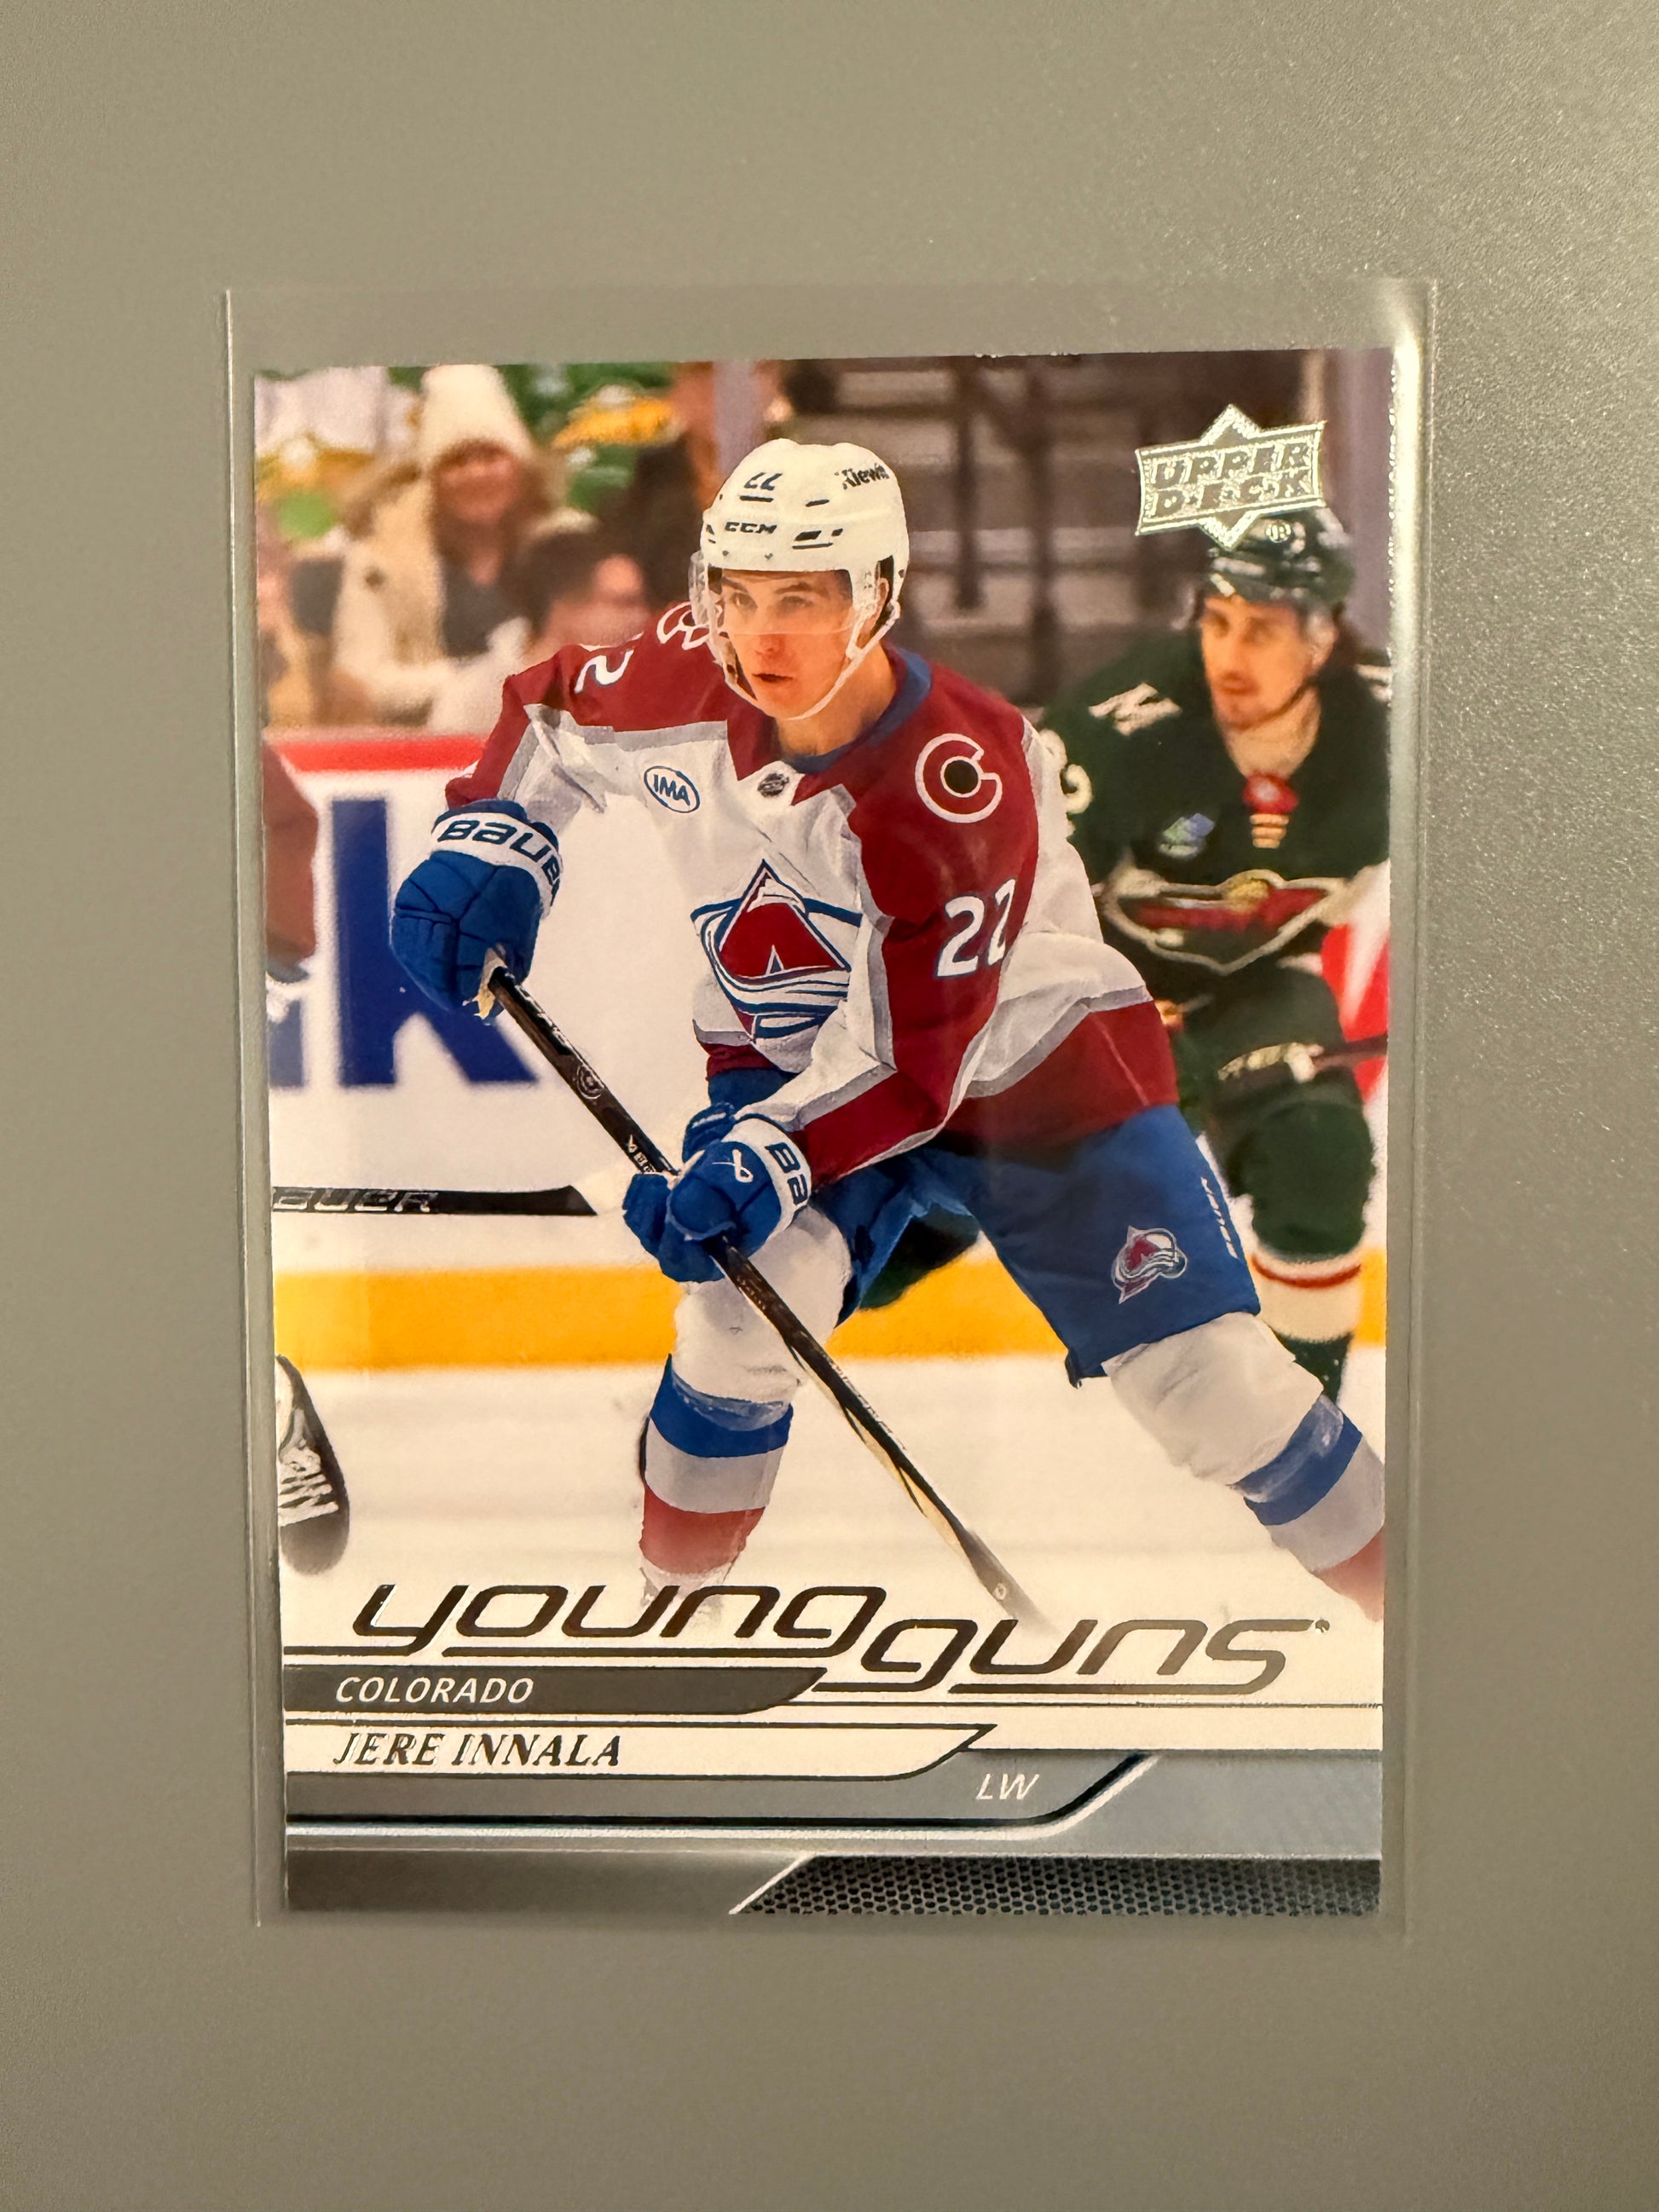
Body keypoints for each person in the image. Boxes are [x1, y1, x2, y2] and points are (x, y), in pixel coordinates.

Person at [389, 442, 1384, 1620]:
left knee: (1211, 1387)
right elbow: (548, 709)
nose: (758, 637)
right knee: (736, 1320)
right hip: (796, 1070)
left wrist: (759, 1158)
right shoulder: (682, 668)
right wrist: (496, 840)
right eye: (735, 594)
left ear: (877, 596)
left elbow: (917, 1065)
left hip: (1033, 1077)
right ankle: (672, 1613)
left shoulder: (951, 780)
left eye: (800, 599)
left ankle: (1415, 1616)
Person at [1032, 509, 1389, 1398]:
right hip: (1109, 985)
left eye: (1260, 630)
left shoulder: (1403, 729)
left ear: (1321, 637)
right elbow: (1025, 908)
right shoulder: (1113, 729)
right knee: (999, 1195)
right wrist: (1102, 1012)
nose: (1228, 654)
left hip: (1261, 982)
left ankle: (1305, 1424)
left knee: (1320, 1154)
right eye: (1217, 620)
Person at [332, 364, 567, 724]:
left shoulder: (569, 544)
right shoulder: (379, 559)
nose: (476, 474)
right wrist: (480, 682)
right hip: (427, 742)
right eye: (456, 462)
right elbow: (361, 677)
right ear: (432, 476)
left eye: (491, 456)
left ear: (520, 465)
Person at [426, 534, 650, 731]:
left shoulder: (648, 694)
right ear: (565, 608)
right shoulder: (474, 697)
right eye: (624, 603)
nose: (642, 617)